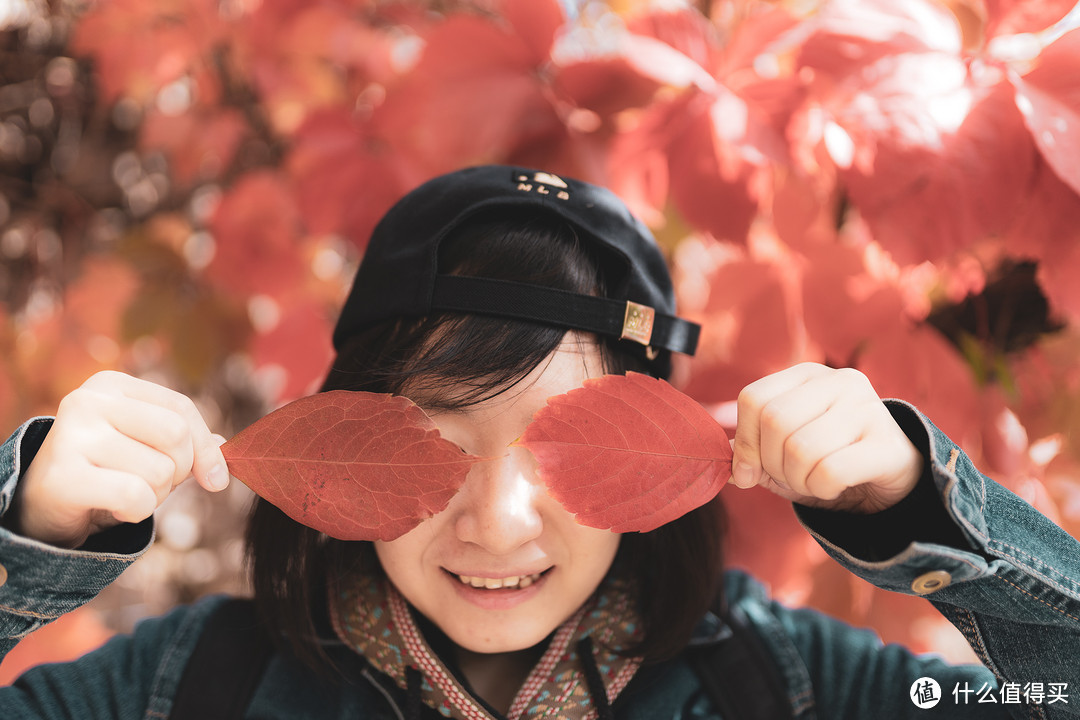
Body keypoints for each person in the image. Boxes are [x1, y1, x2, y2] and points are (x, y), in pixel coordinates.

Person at [0, 165, 1077, 719]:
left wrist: (923, 515)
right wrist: (25, 548)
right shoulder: (188, 687)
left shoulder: (784, 682)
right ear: (340, 446)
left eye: (571, 449)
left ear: (669, 455)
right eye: (431, 443)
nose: (499, 521)